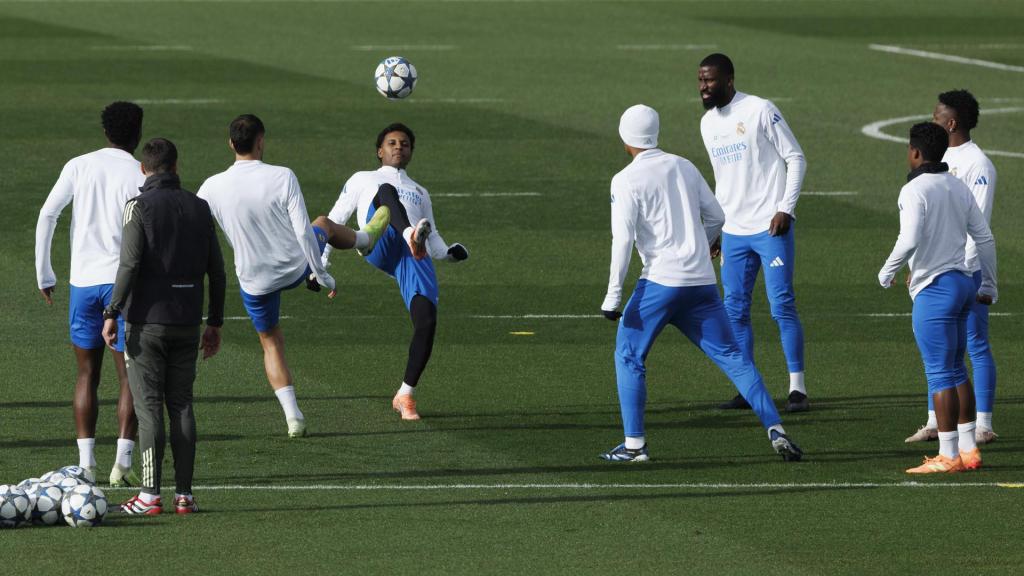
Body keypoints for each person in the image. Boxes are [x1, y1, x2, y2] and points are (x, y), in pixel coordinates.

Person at [598, 104, 801, 463]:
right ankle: (775, 428)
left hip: (659, 284)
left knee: (629, 355)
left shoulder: (625, 179)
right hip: (702, 284)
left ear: (625, 138)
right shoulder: (684, 166)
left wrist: (613, 298)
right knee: (736, 360)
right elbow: (717, 215)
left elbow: (622, 241)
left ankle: (634, 446)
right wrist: (703, 245)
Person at [197, 114, 389, 438]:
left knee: (270, 341)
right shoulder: (282, 176)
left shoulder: (210, 188)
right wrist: (320, 272)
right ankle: (366, 239)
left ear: (231, 144)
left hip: (254, 279)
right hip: (295, 267)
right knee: (323, 223)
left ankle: (293, 416)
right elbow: (303, 231)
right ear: (261, 141)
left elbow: (198, 233)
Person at [100, 138, 225, 515]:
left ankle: (150, 495)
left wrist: (112, 310)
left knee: (149, 408)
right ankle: (184, 494)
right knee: (182, 405)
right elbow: (216, 271)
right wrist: (215, 321)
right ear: (176, 165)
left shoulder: (137, 207)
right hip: (187, 321)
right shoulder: (200, 208)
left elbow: (129, 264)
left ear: (144, 168)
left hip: (147, 323)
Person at [322, 123, 469, 421]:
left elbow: (434, 235)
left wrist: (449, 254)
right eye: (392, 142)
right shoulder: (365, 178)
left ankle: (405, 394)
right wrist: (321, 263)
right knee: (386, 193)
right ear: (380, 151)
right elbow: (334, 218)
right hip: (376, 238)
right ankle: (408, 235)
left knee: (426, 320)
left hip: (412, 253)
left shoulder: (420, 191)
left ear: (411, 152)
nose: (398, 147)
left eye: (404, 143)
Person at [34, 101, 144, 487]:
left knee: (86, 374)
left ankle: (86, 465)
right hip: (124, 286)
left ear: (105, 132)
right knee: (129, 377)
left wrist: (44, 273)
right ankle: (122, 463)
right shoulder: (140, 173)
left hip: (82, 283)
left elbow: (48, 214)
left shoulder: (79, 164)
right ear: (138, 133)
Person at [878, 122, 997, 474]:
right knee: (958, 368)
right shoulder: (957, 186)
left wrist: (887, 270)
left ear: (915, 152)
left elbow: (910, 236)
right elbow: (985, 238)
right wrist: (988, 285)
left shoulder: (914, 189)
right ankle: (968, 447)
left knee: (939, 373)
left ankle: (947, 456)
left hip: (935, 290)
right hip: (963, 285)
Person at [697, 53, 809, 412]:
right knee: (734, 310)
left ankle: (798, 390)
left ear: (728, 80)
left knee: (782, 306)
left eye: (710, 80)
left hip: (769, 226)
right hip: (733, 230)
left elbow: (795, 157)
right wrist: (714, 230)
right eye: (700, 80)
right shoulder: (707, 123)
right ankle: (748, 388)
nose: (703, 87)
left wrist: (786, 207)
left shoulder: (760, 109)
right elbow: (722, 181)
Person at [906, 90, 999, 445]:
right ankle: (935, 420)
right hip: (936, 270)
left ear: (952, 122)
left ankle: (983, 423)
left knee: (974, 344)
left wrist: (969, 272)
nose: (932, 122)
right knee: (940, 349)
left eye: (935, 117)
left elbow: (980, 227)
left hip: (965, 270)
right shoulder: (935, 158)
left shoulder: (978, 164)